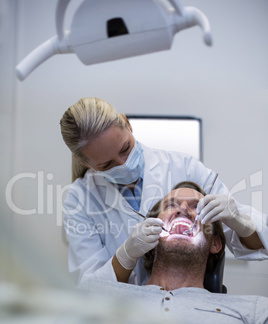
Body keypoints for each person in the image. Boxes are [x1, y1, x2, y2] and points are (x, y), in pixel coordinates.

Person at [60, 97, 268, 286]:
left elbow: (258, 243)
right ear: (84, 161)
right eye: (107, 164)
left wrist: (239, 220)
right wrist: (125, 256)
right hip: (122, 312)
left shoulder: (185, 168)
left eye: (125, 149)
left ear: (128, 124)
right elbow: (90, 287)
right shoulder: (80, 198)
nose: (123, 164)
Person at [78, 181, 268, 324]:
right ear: (150, 232)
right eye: (170, 205)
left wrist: (244, 222)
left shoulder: (255, 310)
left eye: (196, 207)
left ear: (216, 244)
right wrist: (126, 253)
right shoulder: (97, 296)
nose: (183, 209)